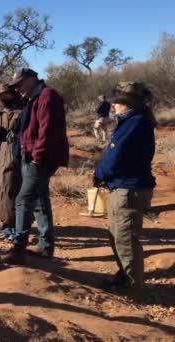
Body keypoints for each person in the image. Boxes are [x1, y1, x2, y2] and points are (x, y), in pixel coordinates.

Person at [0, 68, 69, 265]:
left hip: (41, 159)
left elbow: (47, 131)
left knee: (23, 200)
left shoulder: (47, 97)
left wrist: (37, 157)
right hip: (32, 156)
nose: (17, 90)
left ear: (32, 80)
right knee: (40, 200)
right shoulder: (34, 97)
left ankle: (18, 249)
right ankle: (45, 245)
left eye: (20, 84)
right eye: (15, 86)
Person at [95, 81, 156, 297]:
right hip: (121, 185)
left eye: (118, 101)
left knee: (126, 238)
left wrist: (100, 173)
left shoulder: (135, 122)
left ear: (128, 103)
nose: (114, 104)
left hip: (128, 188)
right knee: (117, 234)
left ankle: (132, 286)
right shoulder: (132, 121)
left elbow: (116, 155)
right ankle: (124, 275)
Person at [0, 84, 24, 240]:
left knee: (13, 190)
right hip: (2, 156)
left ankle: (16, 227)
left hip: (16, 155)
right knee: (2, 191)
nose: (4, 99)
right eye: (1, 97)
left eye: (6, 96)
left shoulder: (23, 113)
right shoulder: (1, 114)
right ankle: (5, 226)